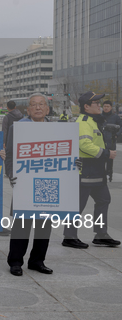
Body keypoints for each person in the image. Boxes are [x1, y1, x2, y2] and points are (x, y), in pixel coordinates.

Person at [63, 92, 121, 248]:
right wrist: (107, 154)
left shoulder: (93, 122)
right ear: (86, 107)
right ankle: (69, 236)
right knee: (78, 204)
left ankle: (101, 234)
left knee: (104, 200)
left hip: (96, 169)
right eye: (96, 103)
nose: (99, 105)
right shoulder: (84, 122)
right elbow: (85, 145)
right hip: (86, 169)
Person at [5, 93, 54, 276]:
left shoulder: (57, 130)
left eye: (41, 104)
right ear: (28, 109)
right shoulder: (18, 128)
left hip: (47, 183)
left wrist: (74, 165)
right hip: (25, 183)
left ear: (47, 109)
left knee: (44, 225)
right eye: (34, 105)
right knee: (21, 225)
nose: (38, 107)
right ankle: (15, 261)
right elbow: (9, 154)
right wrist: (11, 174)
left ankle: (37, 261)